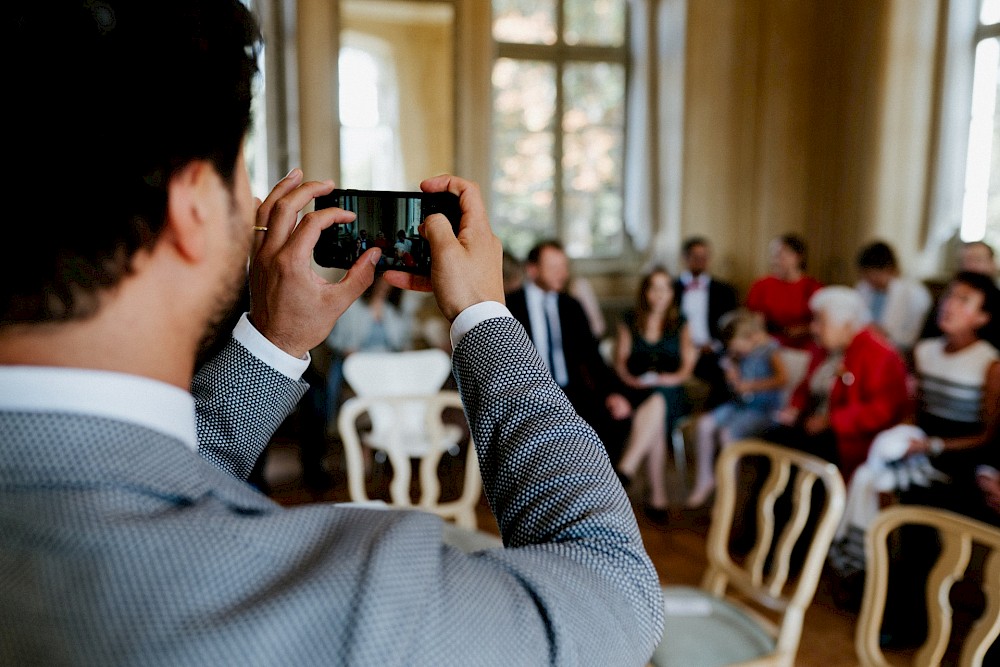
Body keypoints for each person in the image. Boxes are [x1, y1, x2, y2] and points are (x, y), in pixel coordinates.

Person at [1, 4, 663, 666]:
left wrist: (271, 341)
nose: (253, 199)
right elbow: (616, 586)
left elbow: (146, 470)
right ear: (192, 202)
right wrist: (484, 316)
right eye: (242, 169)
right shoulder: (344, 604)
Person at [506, 240, 633, 462]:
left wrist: (612, 393)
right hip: (528, 395)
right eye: (554, 267)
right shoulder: (510, 306)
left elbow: (593, 356)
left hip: (571, 391)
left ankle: (600, 488)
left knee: (618, 418)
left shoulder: (571, 305)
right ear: (532, 269)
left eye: (564, 267)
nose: (563, 274)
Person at [768, 286, 910, 481]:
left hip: (850, 439)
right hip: (813, 425)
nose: (813, 328)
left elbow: (882, 410)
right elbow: (805, 388)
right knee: (772, 443)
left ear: (847, 325)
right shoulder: (823, 349)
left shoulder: (880, 355)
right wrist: (795, 407)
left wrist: (831, 421)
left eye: (821, 321)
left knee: (796, 458)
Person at [612, 268, 698, 524]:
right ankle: (657, 497)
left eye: (665, 288)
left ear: (672, 293)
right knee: (655, 417)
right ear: (645, 292)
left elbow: (687, 366)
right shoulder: (630, 319)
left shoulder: (681, 322)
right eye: (654, 288)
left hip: (672, 391)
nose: (660, 294)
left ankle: (626, 468)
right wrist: (632, 381)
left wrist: (669, 379)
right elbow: (620, 362)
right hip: (638, 389)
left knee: (659, 401)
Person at [685, 309, 787, 509]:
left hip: (763, 410)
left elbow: (782, 379)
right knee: (704, 424)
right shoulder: (736, 355)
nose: (738, 354)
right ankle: (705, 479)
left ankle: (727, 494)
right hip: (739, 405)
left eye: (740, 350)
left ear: (752, 338)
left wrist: (750, 385)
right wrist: (733, 374)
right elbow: (736, 385)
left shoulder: (770, 350)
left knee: (726, 435)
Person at [323, 276, 416, 431]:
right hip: (360, 365)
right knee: (365, 409)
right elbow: (334, 338)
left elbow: (404, 341)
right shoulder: (353, 307)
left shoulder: (393, 311)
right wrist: (348, 351)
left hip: (387, 368)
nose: (385, 286)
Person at [673, 236, 740, 408]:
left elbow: (732, 328)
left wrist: (715, 345)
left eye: (705, 257)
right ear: (685, 258)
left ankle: (708, 421)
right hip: (678, 350)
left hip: (711, 352)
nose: (701, 261)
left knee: (725, 376)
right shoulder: (670, 289)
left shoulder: (725, 291)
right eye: (695, 256)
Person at [746, 234, 824, 350]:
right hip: (770, 344)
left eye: (780, 255)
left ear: (798, 257)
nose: (775, 260)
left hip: (806, 346)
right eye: (773, 256)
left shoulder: (813, 287)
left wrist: (803, 329)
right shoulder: (761, 285)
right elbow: (756, 321)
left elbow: (822, 322)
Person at [854, 240, 932, 356]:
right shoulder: (863, 288)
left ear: (889, 269)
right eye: (865, 274)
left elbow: (911, 338)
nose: (869, 279)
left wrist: (884, 334)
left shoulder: (914, 294)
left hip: (895, 354)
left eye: (873, 273)